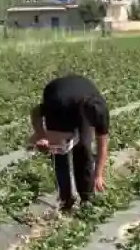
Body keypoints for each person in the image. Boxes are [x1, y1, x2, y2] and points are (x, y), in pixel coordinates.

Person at [29, 74, 110, 211]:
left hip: (80, 95)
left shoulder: (99, 110)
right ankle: (66, 199)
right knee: (58, 149)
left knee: (84, 146)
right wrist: (42, 135)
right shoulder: (58, 103)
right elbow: (35, 112)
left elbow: (102, 146)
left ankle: (86, 197)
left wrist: (98, 175)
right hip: (59, 99)